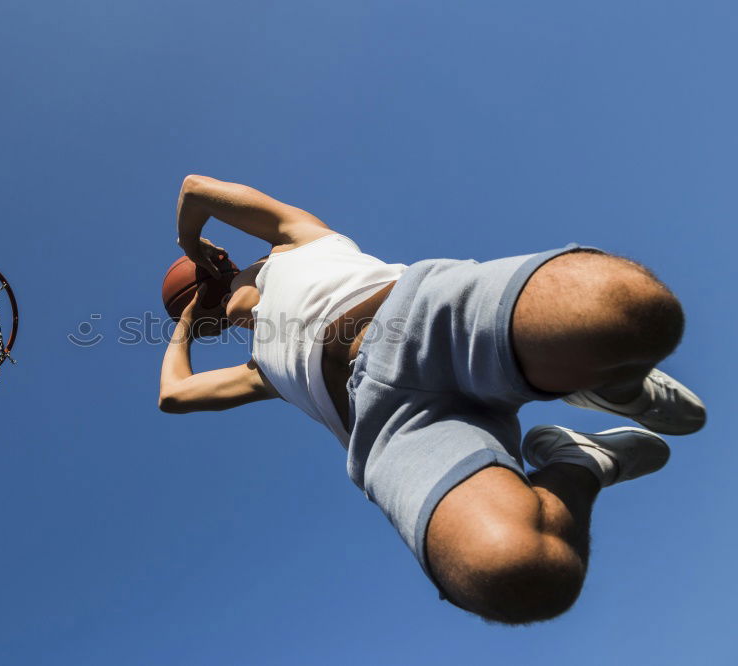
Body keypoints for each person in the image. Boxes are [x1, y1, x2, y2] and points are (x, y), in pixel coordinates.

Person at [158, 174, 705, 625]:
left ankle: (605, 379)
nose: (223, 305)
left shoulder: (297, 237)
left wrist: (192, 249)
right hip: (389, 425)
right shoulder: (264, 371)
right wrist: (184, 323)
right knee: (517, 576)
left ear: (224, 262)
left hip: (418, 316)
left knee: (634, 310)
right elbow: (175, 395)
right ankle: (582, 461)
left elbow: (194, 190)